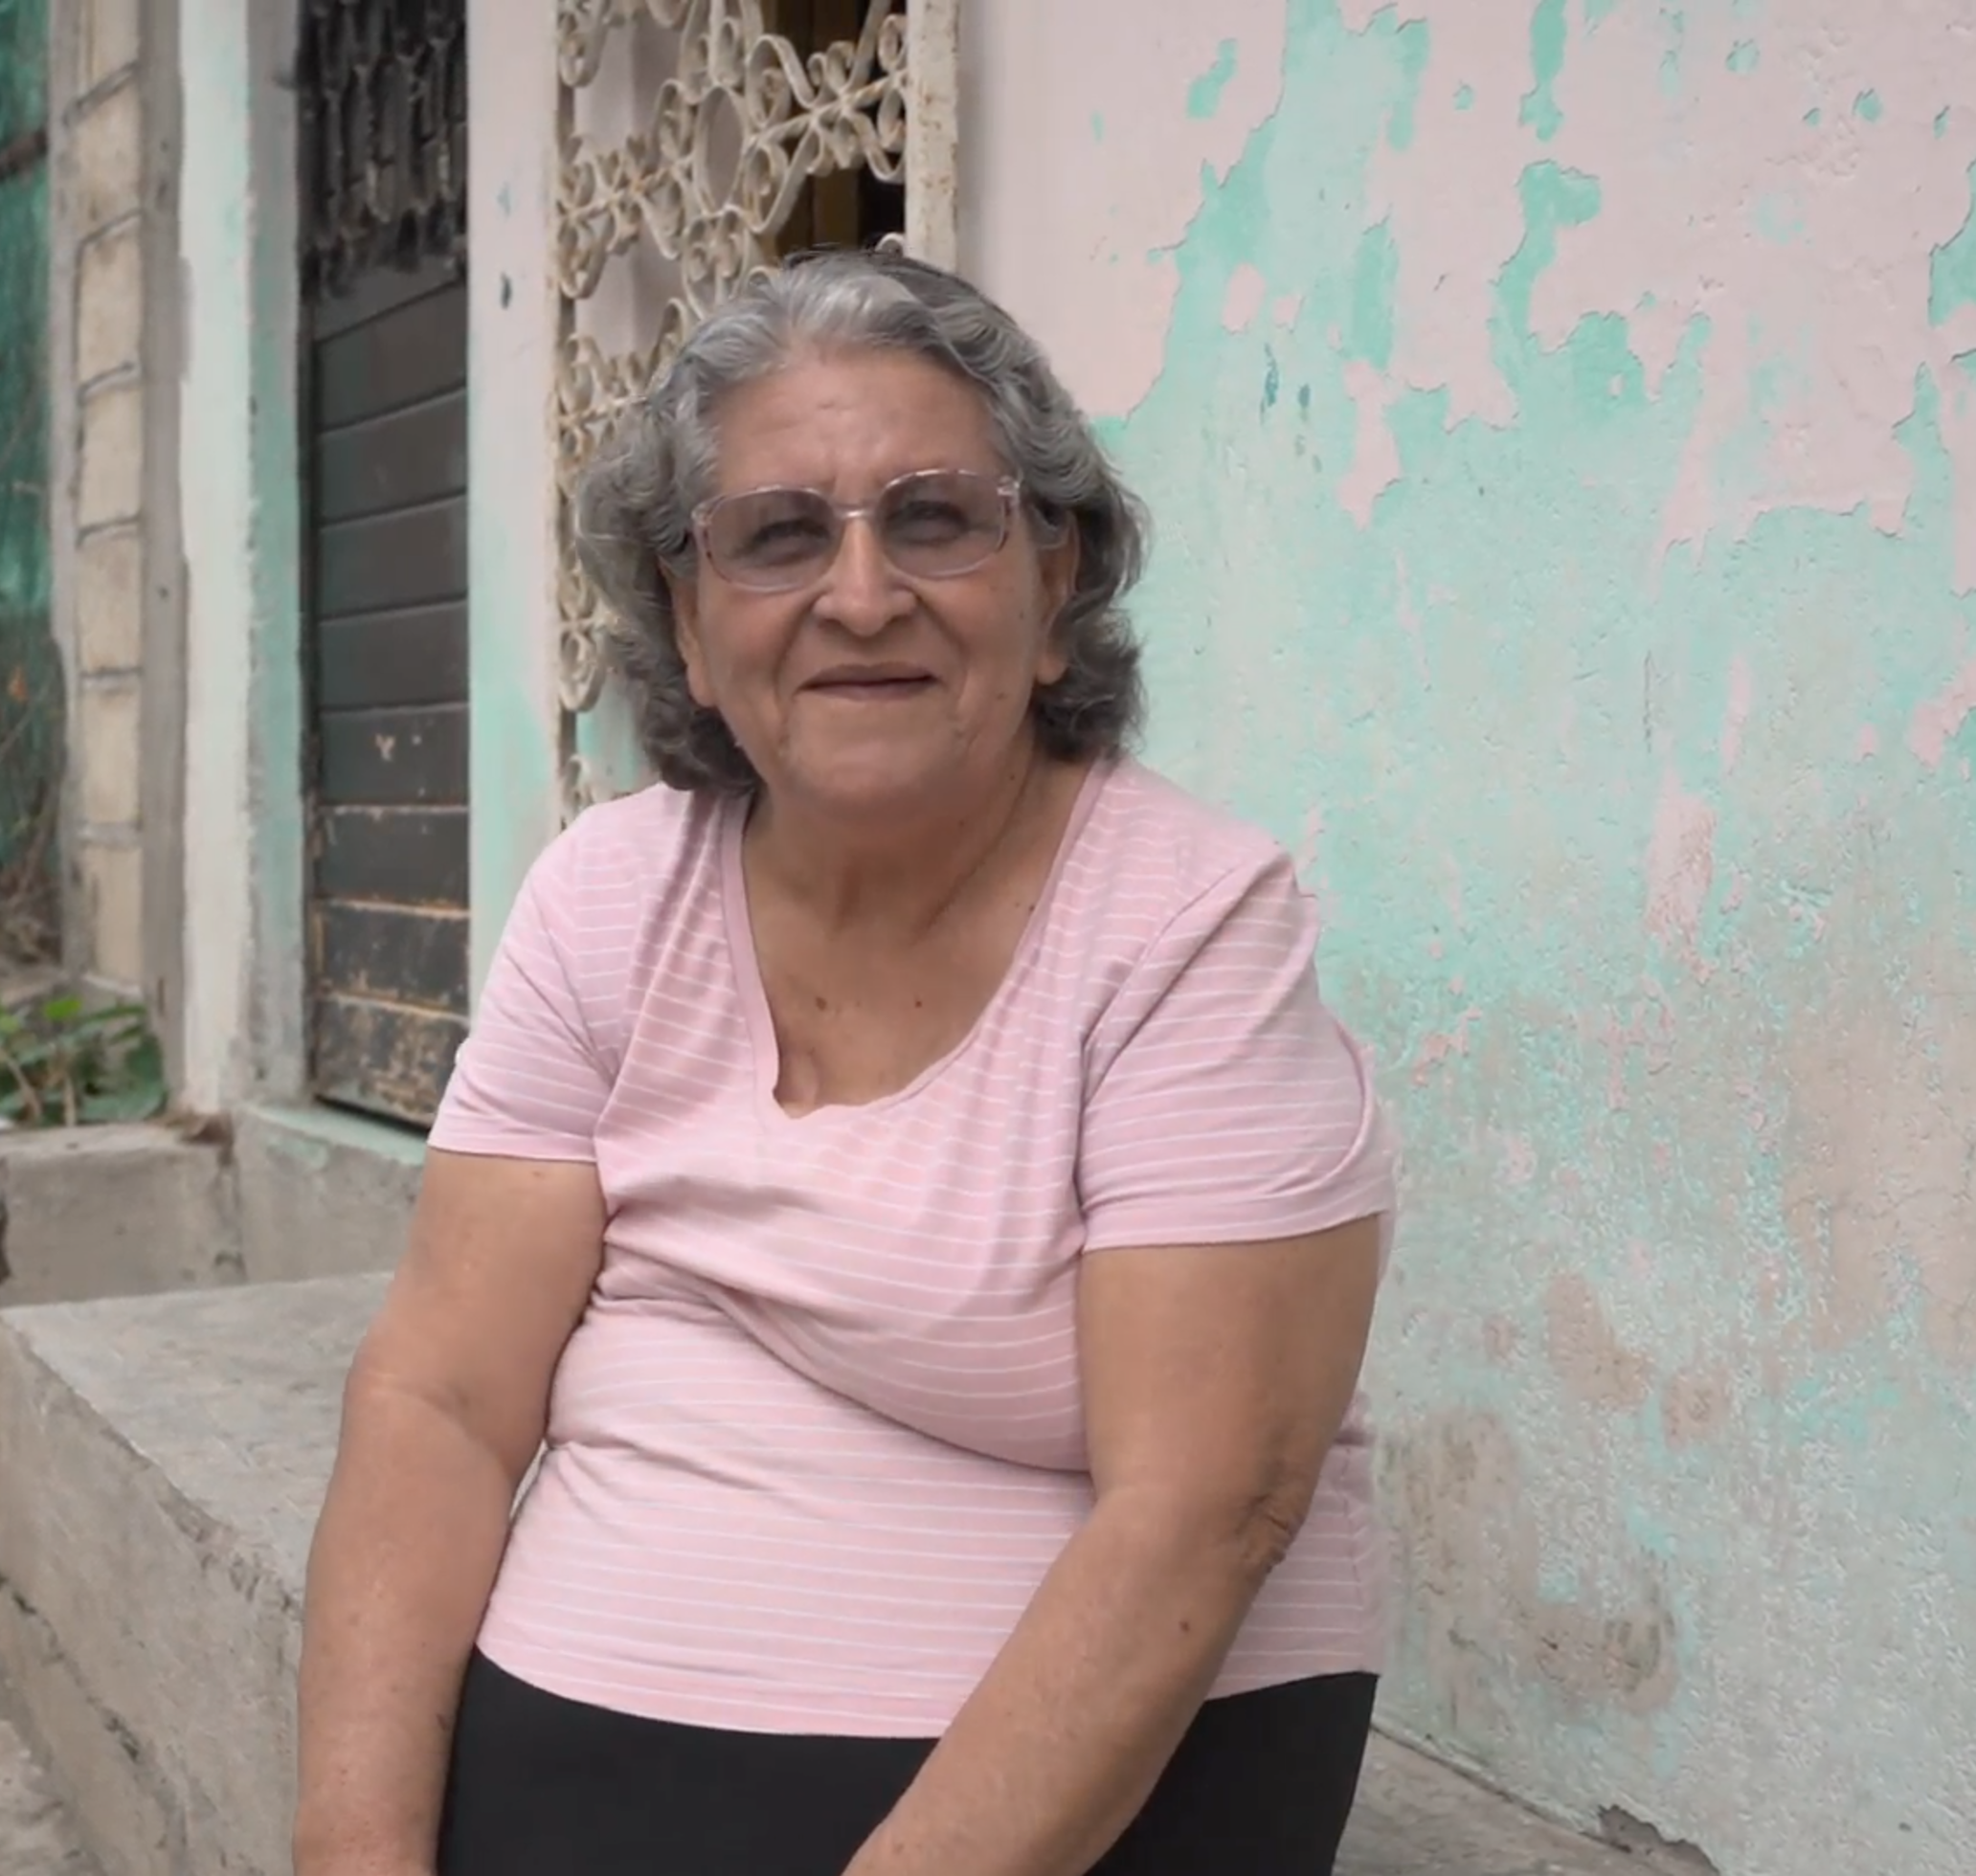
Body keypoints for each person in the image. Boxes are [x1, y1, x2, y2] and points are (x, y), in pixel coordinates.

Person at [296, 248, 1396, 1876]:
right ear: (689, 615)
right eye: (779, 535)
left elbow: (1206, 1507)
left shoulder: (1185, 929)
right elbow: (442, 1400)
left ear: (1053, 584)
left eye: (937, 520)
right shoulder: (608, 899)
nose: (863, 596)